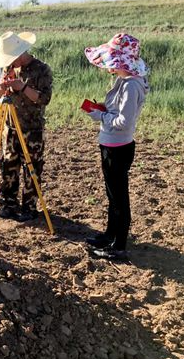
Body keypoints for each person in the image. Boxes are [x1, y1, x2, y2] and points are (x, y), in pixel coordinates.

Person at [83, 33, 149, 260]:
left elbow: (123, 122)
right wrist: (104, 110)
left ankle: (118, 245)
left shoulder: (131, 86)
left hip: (117, 147)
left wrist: (101, 115)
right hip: (113, 144)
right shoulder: (125, 80)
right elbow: (118, 113)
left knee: (119, 197)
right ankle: (110, 235)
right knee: (114, 195)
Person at [0, 31, 53, 222]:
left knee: (31, 169)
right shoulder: (9, 67)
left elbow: (44, 99)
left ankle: (29, 207)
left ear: (21, 52)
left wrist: (22, 87)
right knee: (8, 165)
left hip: (32, 129)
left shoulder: (41, 69)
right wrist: (2, 87)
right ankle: (9, 203)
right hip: (10, 126)